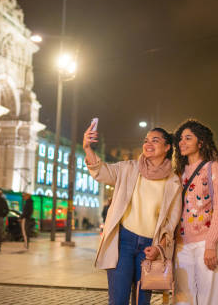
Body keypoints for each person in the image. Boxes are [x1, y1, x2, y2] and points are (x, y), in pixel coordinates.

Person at [83, 123, 182, 305]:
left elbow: (171, 221)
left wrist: (158, 248)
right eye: (146, 140)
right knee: (118, 299)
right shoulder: (129, 168)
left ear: (167, 147)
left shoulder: (173, 180)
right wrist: (88, 147)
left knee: (141, 301)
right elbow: (101, 171)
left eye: (155, 140)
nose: (148, 144)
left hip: (149, 248)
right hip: (123, 242)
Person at [173, 119, 218, 305]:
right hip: (182, 245)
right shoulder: (178, 172)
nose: (182, 142)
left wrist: (211, 244)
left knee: (209, 297)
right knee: (183, 298)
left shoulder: (213, 168)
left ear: (201, 143)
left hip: (205, 243)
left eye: (188, 138)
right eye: (181, 138)